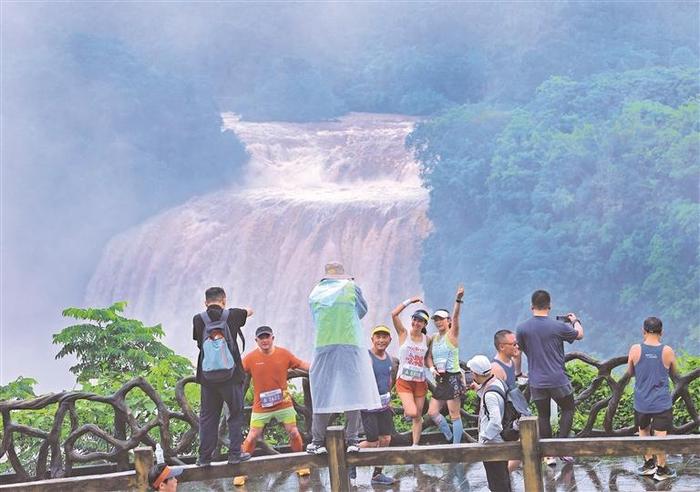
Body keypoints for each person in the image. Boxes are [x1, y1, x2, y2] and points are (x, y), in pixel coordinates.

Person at [307, 262, 381, 455]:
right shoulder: (351, 288)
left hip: (324, 345)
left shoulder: (315, 292)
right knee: (354, 392)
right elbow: (362, 310)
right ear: (342, 274)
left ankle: (316, 442)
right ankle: (353, 440)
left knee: (322, 392)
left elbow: (315, 316)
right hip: (350, 343)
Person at [234, 326, 311, 486]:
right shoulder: (250, 358)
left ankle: (300, 463)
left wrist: (319, 368)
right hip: (261, 406)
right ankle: (242, 471)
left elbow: (302, 364)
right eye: (261, 338)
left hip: (284, 404)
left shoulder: (284, 354)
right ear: (256, 341)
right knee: (252, 436)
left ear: (272, 338)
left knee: (294, 433)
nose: (264, 340)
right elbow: (236, 371)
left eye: (267, 337)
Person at [515, 289, 582, 466]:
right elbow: (579, 334)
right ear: (549, 306)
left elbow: (518, 353)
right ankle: (562, 447)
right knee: (568, 409)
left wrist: (517, 372)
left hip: (537, 381)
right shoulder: (558, 326)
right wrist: (575, 321)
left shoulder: (522, 328)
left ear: (532, 307)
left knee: (543, 416)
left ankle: (549, 455)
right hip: (558, 379)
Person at [192, 287, 252, 466]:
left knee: (208, 417)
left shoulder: (198, 319)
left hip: (208, 378)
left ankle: (204, 458)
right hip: (232, 377)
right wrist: (246, 312)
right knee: (234, 415)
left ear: (205, 302)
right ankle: (235, 455)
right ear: (224, 301)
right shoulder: (233, 315)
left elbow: (199, 343)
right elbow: (250, 311)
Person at [627, 316, 678, 481]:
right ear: (662, 332)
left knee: (643, 430)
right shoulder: (667, 351)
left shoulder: (635, 349)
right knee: (660, 434)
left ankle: (648, 464)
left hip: (642, 401)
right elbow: (673, 372)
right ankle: (662, 469)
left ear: (643, 331)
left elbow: (630, 372)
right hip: (661, 401)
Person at [426, 285, 467, 444]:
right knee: (432, 412)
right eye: (436, 320)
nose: (438, 322)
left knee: (454, 414)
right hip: (441, 380)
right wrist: (431, 368)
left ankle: (456, 446)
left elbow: (456, 318)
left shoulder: (452, 335)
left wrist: (458, 299)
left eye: (441, 319)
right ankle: (450, 437)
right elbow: (428, 357)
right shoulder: (434, 338)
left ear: (448, 321)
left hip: (453, 378)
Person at [467, 355, 512, 492]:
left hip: (493, 444)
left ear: (475, 374)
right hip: (500, 442)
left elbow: (496, 423)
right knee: (502, 479)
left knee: (497, 482)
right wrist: (479, 390)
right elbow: (493, 400)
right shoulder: (496, 382)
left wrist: (483, 439)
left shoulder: (490, 395)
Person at [359, 325, 397, 486]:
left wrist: (389, 399)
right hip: (369, 407)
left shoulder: (389, 358)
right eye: (378, 337)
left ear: (390, 339)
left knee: (386, 439)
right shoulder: (365, 357)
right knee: (372, 442)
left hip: (384, 406)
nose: (381, 340)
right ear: (372, 339)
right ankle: (348, 455)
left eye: (384, 337)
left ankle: (377, 474)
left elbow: (387, 380)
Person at [391, 295, 430, 446]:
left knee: (417, 416)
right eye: (414, 319)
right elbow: (393, 314)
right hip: (404, 382)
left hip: (420, 382)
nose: (416, 322)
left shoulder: (427, 339)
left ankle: (415, 446)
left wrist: (433, 368)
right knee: (412, 412)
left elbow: (428, 358)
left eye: (420, 320)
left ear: (424, 324)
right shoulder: (403, 334)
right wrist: (410, 301)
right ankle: (407, 411)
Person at [491, 329, 524, 472]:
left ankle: (504, 476)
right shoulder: (496, 368)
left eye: (517, 343)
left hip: (515, 409)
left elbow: (516, 373)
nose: (516, 346)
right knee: (520, 446)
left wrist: (518, 354)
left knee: (523, 444)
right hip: (505, 415)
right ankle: (503, 476)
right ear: (502, 346)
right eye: (513, 344)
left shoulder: (510, 361)